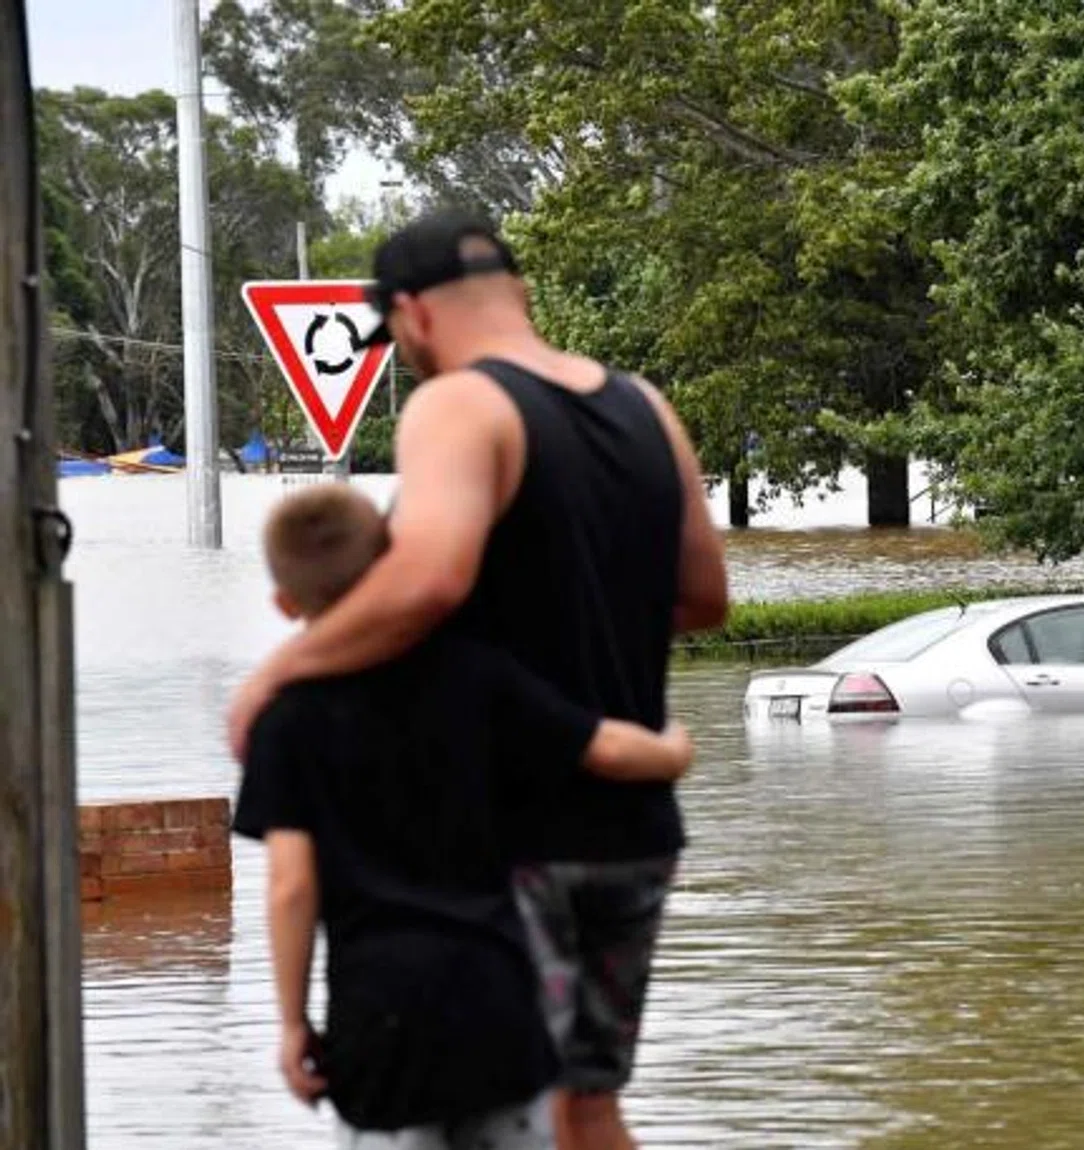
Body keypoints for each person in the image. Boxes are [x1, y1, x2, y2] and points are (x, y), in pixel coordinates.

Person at [227, 209, 730, 1150]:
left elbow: (428, 578)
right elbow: (704, 595)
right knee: (591, 1107)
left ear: (411, 314)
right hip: (633, 826)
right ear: (520, 290)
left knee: (526, 1115)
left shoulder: (459, 404)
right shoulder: (644, 405)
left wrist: (274, 677)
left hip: (512, 838)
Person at [233, 484, 697, 1149]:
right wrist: (673, 749)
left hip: (380, 1021)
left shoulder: (289, 721)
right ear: (392, 564)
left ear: (284, 603)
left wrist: (291, 1022)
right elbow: (604, 748)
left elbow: (292, 887)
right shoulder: (475, 676)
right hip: (500, 1001)